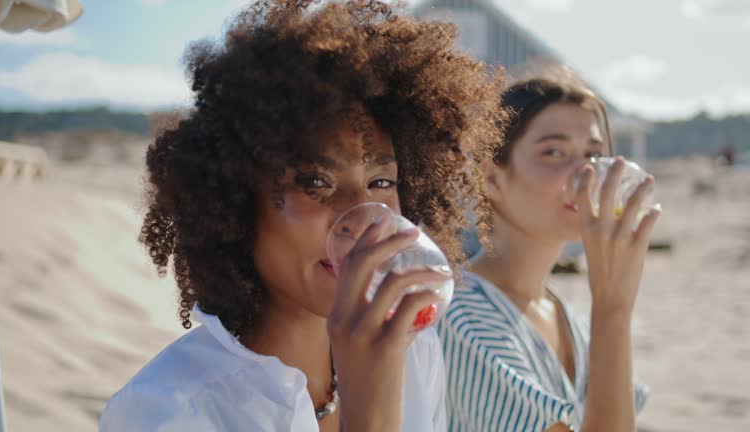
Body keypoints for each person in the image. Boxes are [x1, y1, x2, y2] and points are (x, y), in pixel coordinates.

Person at [98, 0, 503, 430]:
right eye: (315, 182)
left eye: (381, 182)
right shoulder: (166, 412)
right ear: (235, 201)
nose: (362, 216)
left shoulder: (416, 351)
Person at [439, 78, 660, 431]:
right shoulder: (461, 317)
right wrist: (613, 309)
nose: (585, 174)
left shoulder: (561, 314)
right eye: (553, 152)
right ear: (492, 179)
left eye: (592, 154)